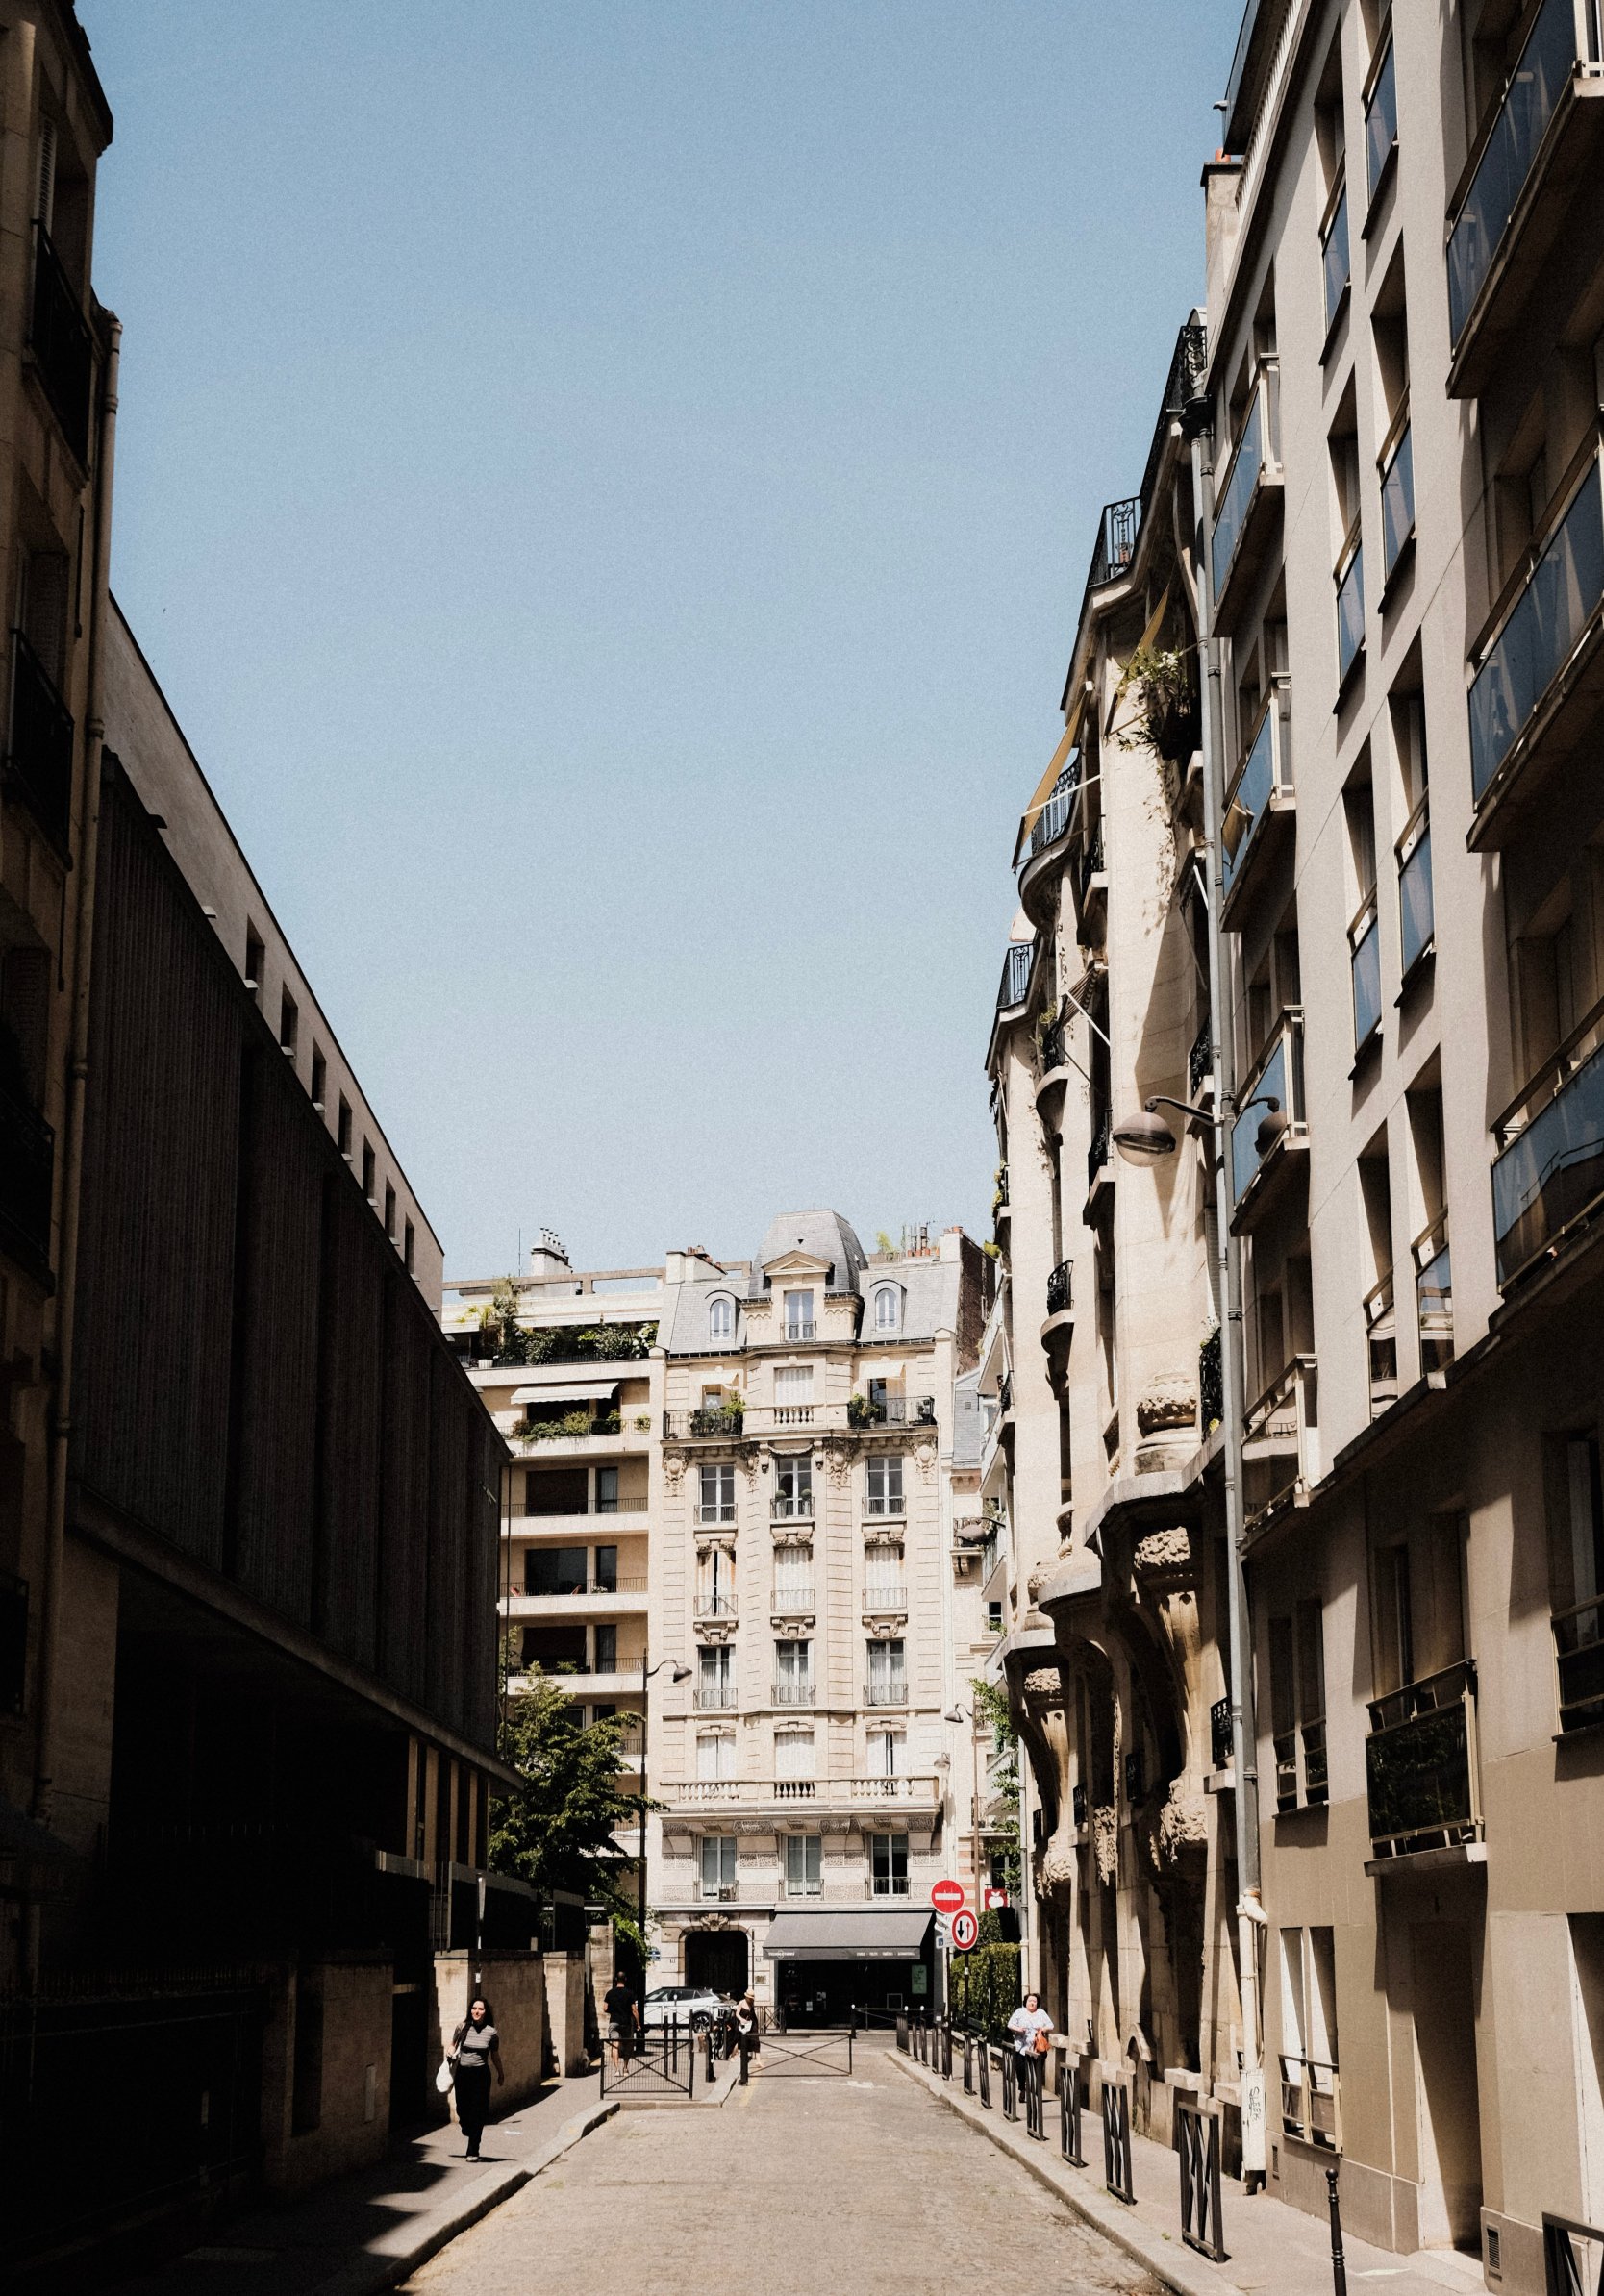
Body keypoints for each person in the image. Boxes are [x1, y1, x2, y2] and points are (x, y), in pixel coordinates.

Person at [450, 1998, 504, 2162]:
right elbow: (453, 2045)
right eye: (474, 2008)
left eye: (480, 2009)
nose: (477, 2012)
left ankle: (473, 2150)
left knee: (478, 2112)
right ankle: (467, 2128)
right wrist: (450, 2052)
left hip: (481, 2075)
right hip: (463, 2073)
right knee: (462, 2108)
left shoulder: (491, 2033)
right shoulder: (462, 2027)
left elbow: (495, 2056)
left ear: (485, 2012)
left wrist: (501, 2073)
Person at [1007, 1990, 1053, 2097]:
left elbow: (1051, 2025)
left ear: (1037, 2003)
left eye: (1034, 2001)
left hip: (1037, 2047)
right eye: (1030, 2001)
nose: (1032, 2003)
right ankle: (1022, 2089)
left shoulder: (1041, 2013)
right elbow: (1010, 2024)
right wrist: (1019, 2029)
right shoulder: (1020, 2012)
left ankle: (1036, 2090)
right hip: (1021, 2046)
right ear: (1025, 2002)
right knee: (1020, 2069)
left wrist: (1042, 2029)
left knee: (1037, 2069)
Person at [602, 1970, 638, 2068]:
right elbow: (634, 2010)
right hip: (626, 2022)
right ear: (625, 1979)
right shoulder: (630, 1993)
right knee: (627, 2046)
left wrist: (614, 2011)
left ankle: (617, 2069)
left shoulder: (610, 1993)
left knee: (615, 2045)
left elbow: (605, 2008)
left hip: (614, 2022)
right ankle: (625, 2068)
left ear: (616, 1979)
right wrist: (638, 2023)